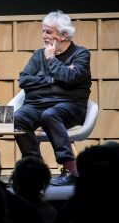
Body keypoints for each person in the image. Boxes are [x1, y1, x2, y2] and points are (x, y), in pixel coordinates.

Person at [14, 10, 91, 186]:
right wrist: (53, 80)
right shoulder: (37, 55)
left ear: (64, 35)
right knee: (17, 119)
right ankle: (36, 169)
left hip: (71, 106)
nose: (44, 36)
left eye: (48, 32)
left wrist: (51, 61)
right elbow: (24, 80)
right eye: (43, 31)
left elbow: (72, 78)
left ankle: (70, 170)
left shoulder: (81, 54)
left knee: (50, 114)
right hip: (38, 105)